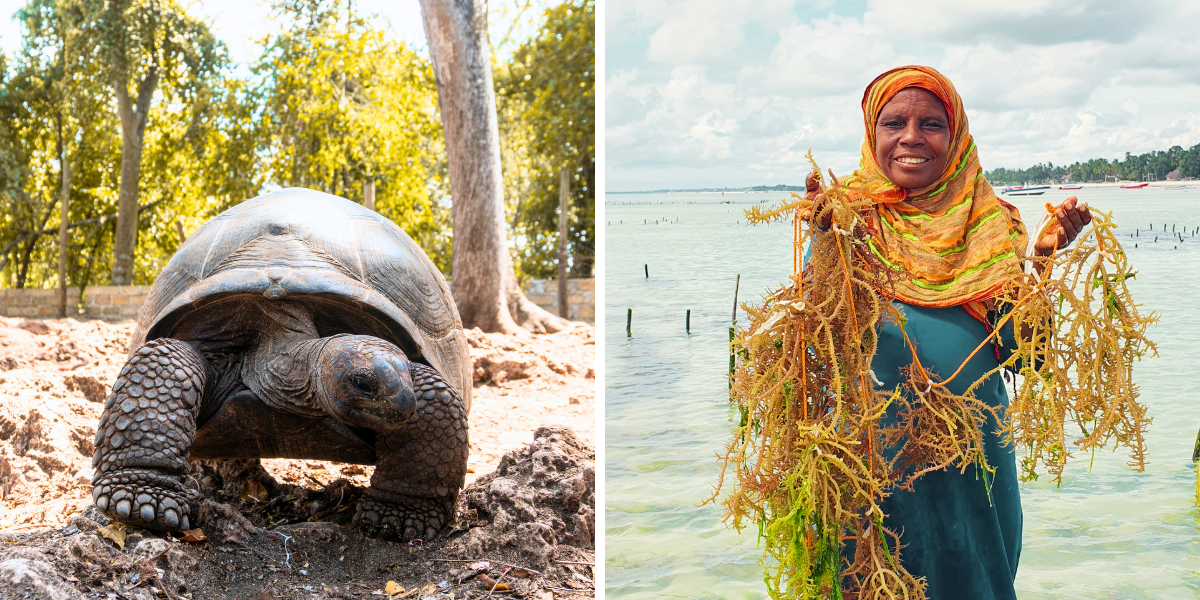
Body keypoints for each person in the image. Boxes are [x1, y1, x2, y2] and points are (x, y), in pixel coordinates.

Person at [800, 65, 1092, 599]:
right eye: (894, 123)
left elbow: (1027, 357)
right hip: (872, 468)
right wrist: (823, 244)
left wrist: (1043, 265)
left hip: (973, 466)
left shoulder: (994, 226)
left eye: (931, 123)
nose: (912, 137)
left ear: (955, 137)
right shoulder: (844, 224)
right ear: (873, 134)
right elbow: (815, 344)